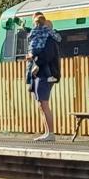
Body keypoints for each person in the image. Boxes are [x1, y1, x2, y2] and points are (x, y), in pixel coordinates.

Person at [25, 12, 62, 142]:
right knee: (41, 104)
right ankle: (47, 132)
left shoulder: (48, 38)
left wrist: (33, 58)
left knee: (44, 104)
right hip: (39, 73)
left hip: (46, 74)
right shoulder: (40, 37)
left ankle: (50, 133)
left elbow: (47, 56)